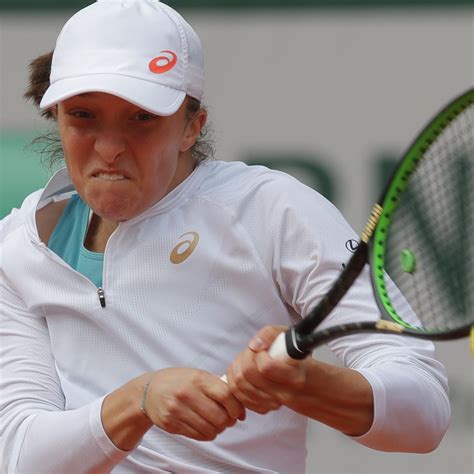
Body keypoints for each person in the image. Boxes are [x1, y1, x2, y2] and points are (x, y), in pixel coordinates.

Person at [0, 1, 451, 472]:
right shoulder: (20, 247)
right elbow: (19, 455)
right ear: (57, 117)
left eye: (141, 118)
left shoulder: (273, 211)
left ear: (192, 126)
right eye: (84, 116)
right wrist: (138, 400)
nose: (109, 148)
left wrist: (308, 385)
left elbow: (426, 411)